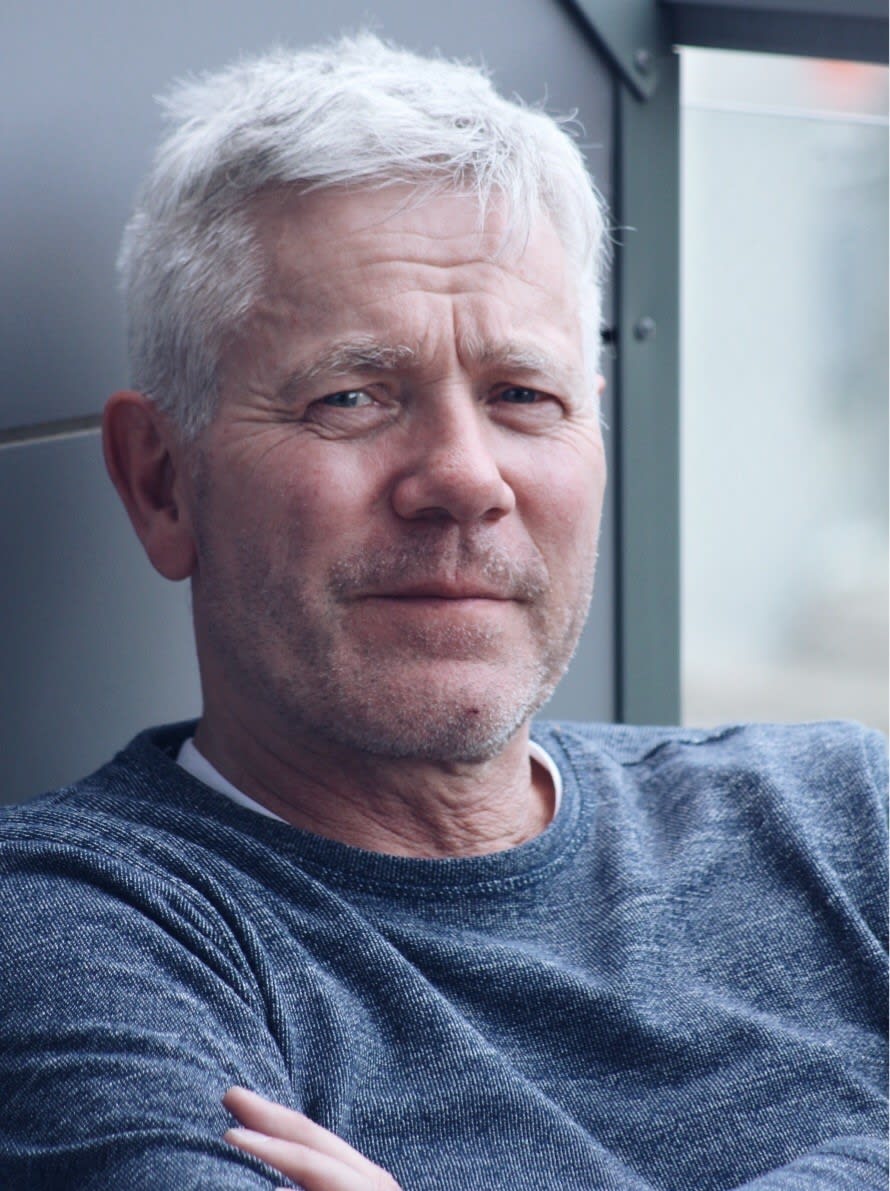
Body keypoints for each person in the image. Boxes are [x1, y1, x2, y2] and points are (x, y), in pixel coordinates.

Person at [1, 33, 886, 1191]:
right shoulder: (80, 932)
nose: (467, 479)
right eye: (350, 397)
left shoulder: (839, 818)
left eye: (522, 395)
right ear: (163, 482)